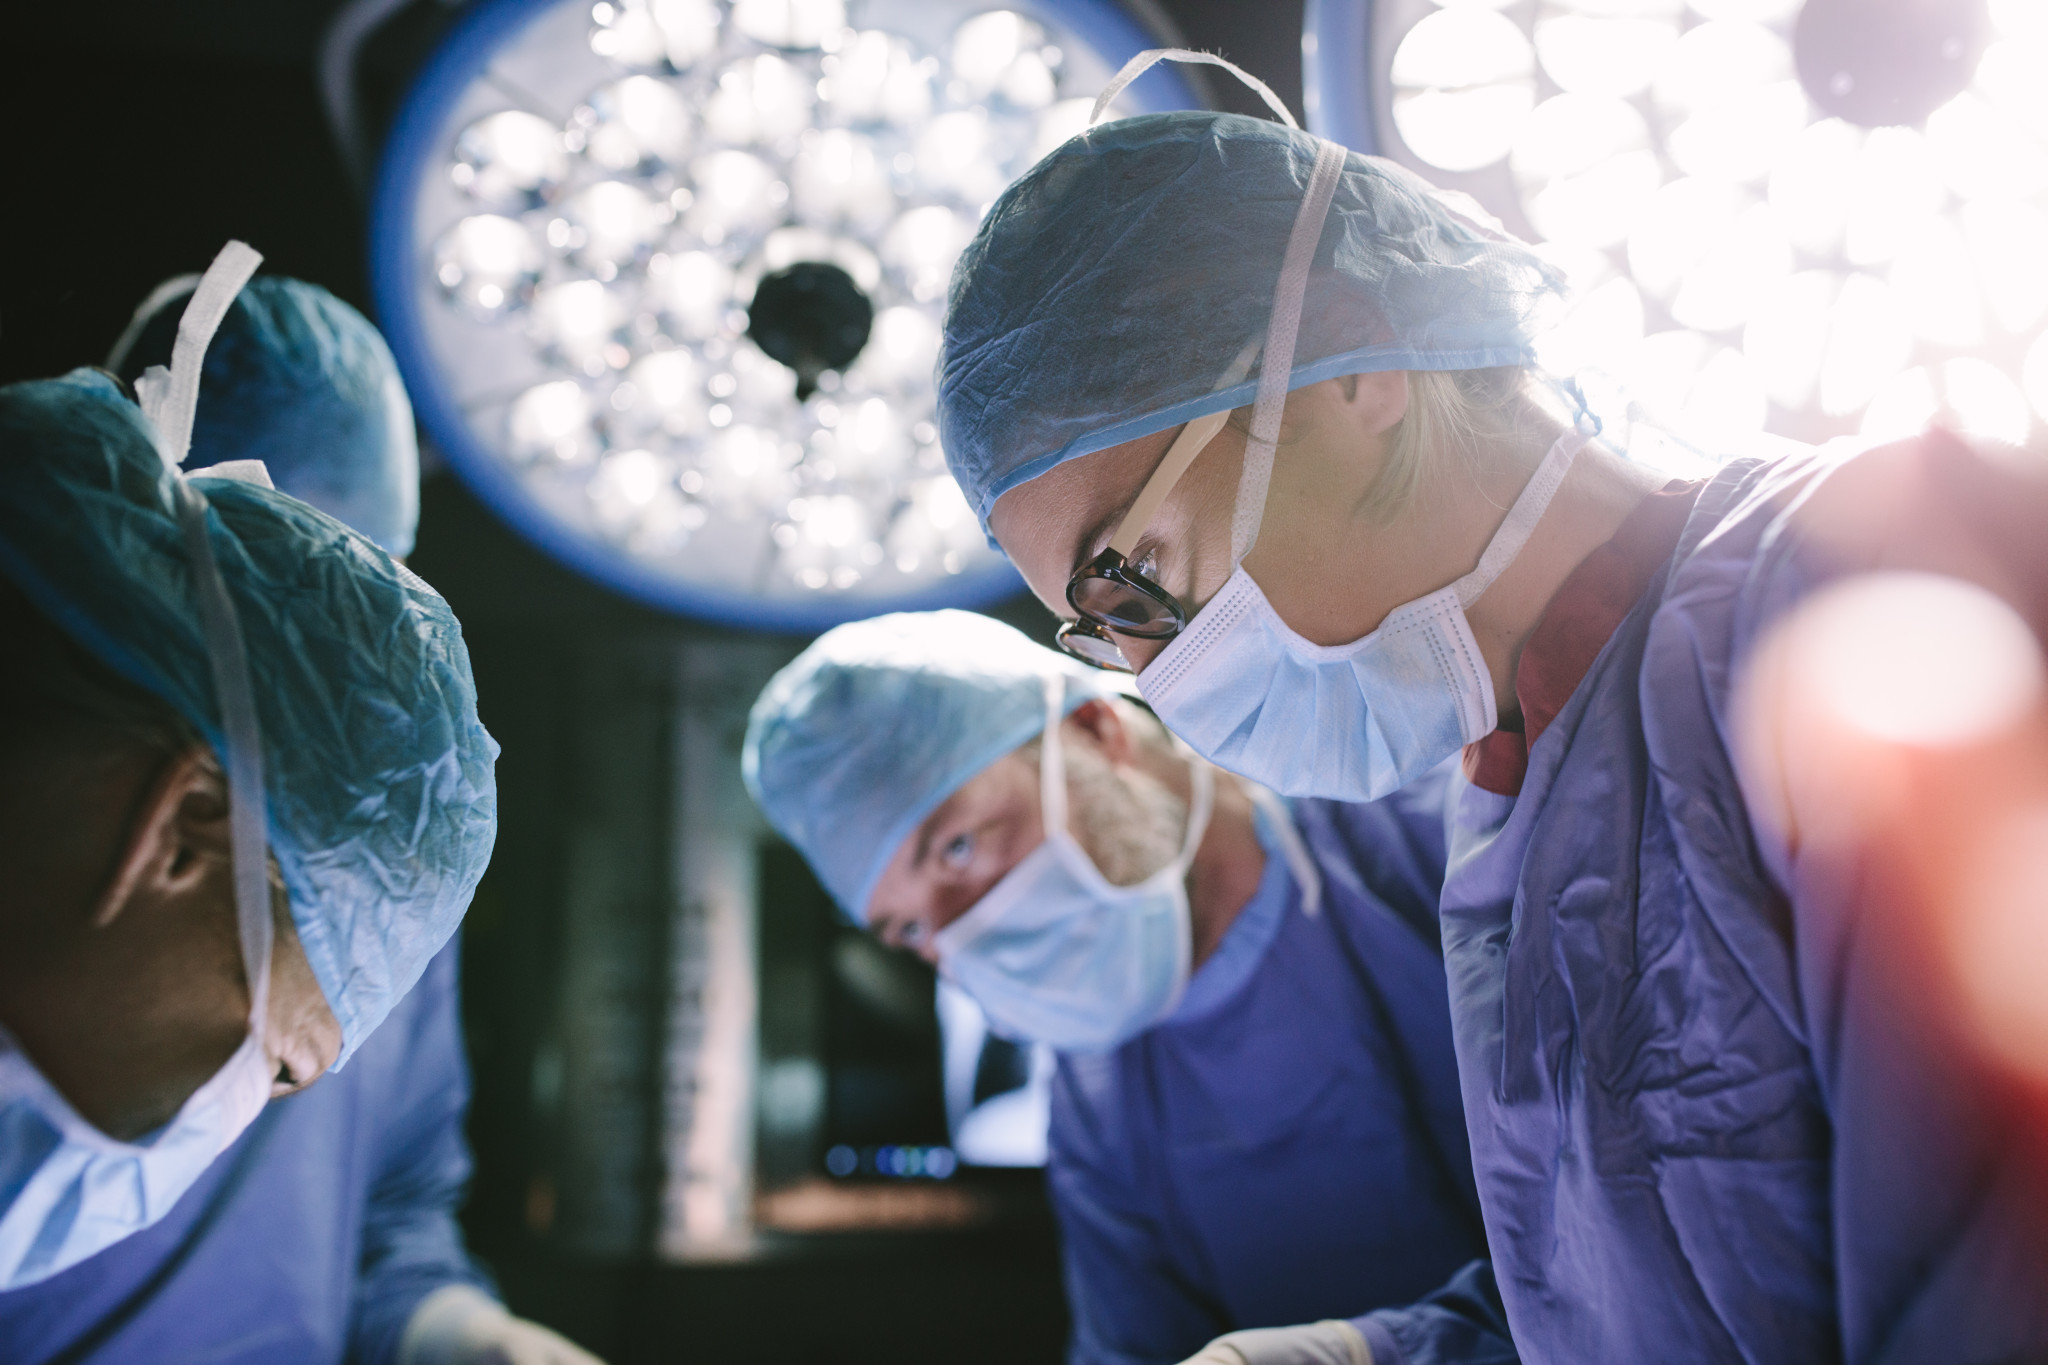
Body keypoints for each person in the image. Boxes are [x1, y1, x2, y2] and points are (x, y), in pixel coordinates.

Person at [937, 80, 2048, 1364]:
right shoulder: (1507, 810)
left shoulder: (1865, 582)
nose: (1154, 678)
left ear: (1345, 371)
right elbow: (1647, 1303)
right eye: (1103, 638)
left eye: (1130, 583)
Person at [0, 253, 591, 1363]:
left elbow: (393, 1215)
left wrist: (467, 1339)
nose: (326, 643)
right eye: (265, 570)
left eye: (363, 601)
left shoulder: (370, 867)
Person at [744, 610, 1507, 1365]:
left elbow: (1620, 1241)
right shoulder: (1098, 1111)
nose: (960, 935)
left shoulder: (1447, 840)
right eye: (908, 929)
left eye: (958, 846)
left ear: (1093, 731)